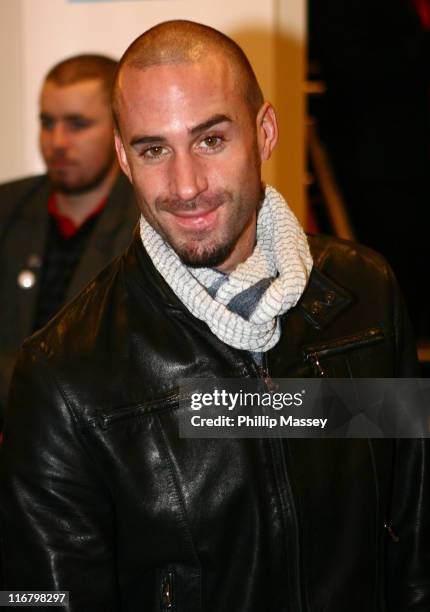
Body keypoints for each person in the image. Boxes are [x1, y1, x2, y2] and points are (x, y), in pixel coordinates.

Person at [0, 20, 428, 612]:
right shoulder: (64, 374)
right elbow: (38, 599)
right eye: (154, 150)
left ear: (265, 132)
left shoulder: (364, 297)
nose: (186, 186)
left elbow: (414, 534)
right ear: (125, 158)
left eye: (210, 140)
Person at [0, 54, 137, 426]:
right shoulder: (7, 208)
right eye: (47, 122)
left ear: (117, 129)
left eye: (77, 124)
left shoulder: (149, 223)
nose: (57, 141)